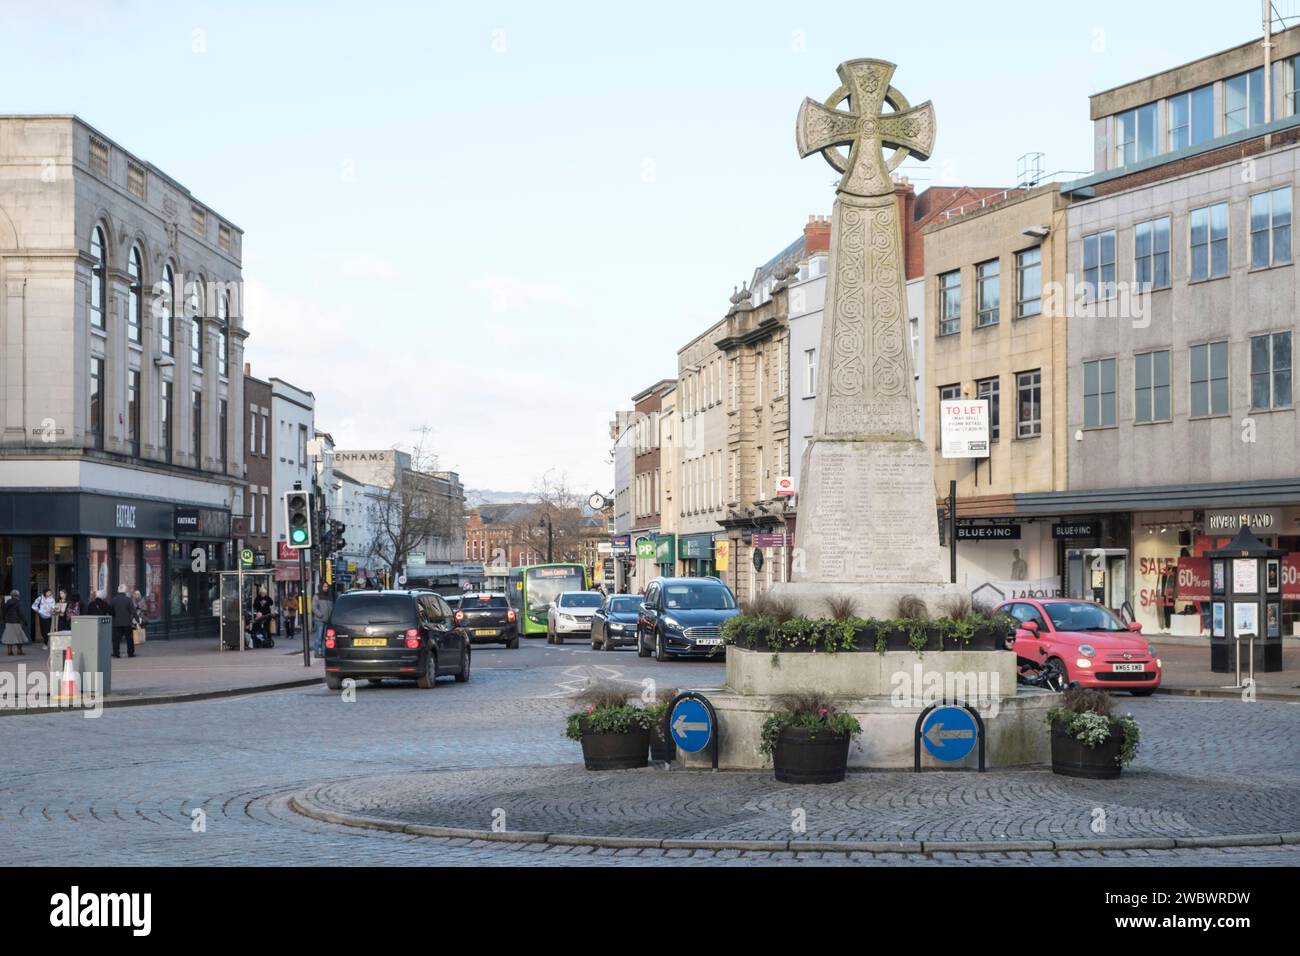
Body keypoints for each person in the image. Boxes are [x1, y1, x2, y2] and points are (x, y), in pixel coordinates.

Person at [109, 584, 136, 659]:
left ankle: (116, 653)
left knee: (116, 639)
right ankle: (130, 653)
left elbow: (110, 611)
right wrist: (137, 620)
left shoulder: (113, 600)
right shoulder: (128, 600)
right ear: (125, 591)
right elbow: (133, 611)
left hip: (116, 623)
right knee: (129, 639)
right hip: (127, 622)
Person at [3, 590, 28, 656]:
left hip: (8, 621)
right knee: (19, 636)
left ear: (11, 595)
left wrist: (4, 619)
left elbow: (4, 611)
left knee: (9, 637)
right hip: (16, 621)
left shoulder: (7, 602)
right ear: (17, 595)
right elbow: (20, 613)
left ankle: (9, 651)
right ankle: (19, 651)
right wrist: (25, 621)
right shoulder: (18, 602)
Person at [313, 586, 332, 656]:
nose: (326, 588)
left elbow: (331, 607)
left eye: (327, 586)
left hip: (327, 620)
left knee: (325, 638)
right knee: (319, 636)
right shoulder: (317, 596)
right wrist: (320, 614)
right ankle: (317, 652)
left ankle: (324, 653)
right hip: (319, 620)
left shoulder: (329, 596)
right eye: (324, 586)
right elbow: (314, 607)